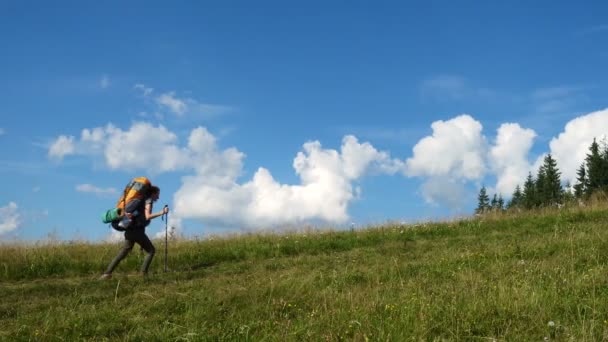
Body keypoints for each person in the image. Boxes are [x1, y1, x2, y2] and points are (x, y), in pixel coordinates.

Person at [100, 185, 169, 279]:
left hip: (129, 230)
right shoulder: (148, 201)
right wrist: (162, 212)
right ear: (152, 193)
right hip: (137, 231)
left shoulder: (139, 199)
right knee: (151, 251)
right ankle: (143, 274)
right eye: (157, 194)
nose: (158, 197)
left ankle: (107, 273)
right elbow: (148, 216)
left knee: (124, 252)